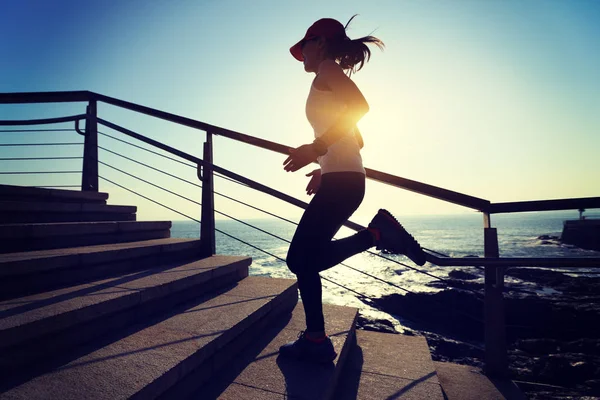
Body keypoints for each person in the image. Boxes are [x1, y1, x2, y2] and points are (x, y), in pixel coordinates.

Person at [280, 16, 426, 364]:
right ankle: (316, 338)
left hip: (343, 182)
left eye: (306, 44)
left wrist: (316, 149)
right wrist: (324, 165)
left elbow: (360, 108)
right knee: (304, 259)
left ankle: (376, 235)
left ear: (322, 44)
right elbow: (355, 136)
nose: (302, 53)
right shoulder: (325, 78)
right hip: (340, 178)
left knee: (299, 259)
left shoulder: (328, 70)